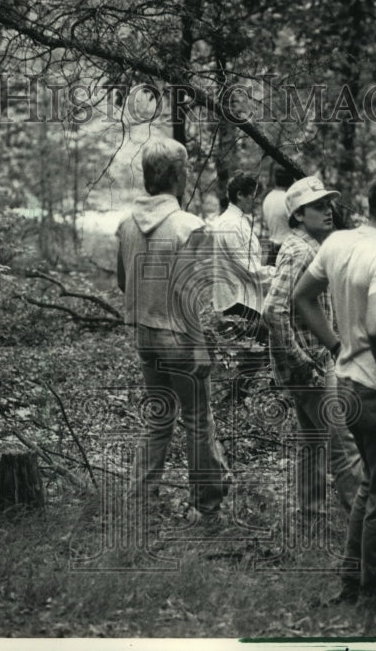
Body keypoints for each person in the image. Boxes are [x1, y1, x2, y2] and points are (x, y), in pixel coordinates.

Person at [294, 165, 376, 606]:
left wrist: (335, 346)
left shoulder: (338, 242)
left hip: (347, 385)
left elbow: (302, 297)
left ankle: (353, 582)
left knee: (371, 485)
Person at [116, 137, 230, 519]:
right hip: (179, 336)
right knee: (198, 417)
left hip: (143, 333)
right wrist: (199, 346)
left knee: (159, 416)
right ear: (180, 176)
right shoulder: (191, 227)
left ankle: (139, 497)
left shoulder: (126, 224)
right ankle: (208, 503)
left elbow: (122, 281)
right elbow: (191, 293)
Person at [262, 176, 363, 527]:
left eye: (328, 204)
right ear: (299, 215)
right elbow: (272, 310)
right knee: (344, 445)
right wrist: (302, 363)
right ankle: (366, 524)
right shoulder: (301, 250)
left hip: (311, 364)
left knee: (313, 440)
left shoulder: (306, 246)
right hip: (311, 367)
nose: (328, 211)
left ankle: (312, 515)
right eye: (318, 206)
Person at [211, 172, 275, 391]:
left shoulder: (234, 221)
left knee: (251, 355)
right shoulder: (230, 225)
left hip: (240, 296)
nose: (255, 202)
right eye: (252, 197)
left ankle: (241, 399)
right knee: (251, 358)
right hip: (238, 299)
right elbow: (250, 269)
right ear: (240, 195)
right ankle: (235, 401)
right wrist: (281, 272)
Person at [262, 166, 298, 266]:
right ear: (291, 180)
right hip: (288, 249)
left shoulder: (268, 198)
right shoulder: (288, 200)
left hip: (272, 248)